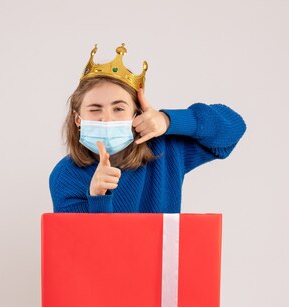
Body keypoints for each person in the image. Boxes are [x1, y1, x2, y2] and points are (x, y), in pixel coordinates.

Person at [49, 43, 247, 213]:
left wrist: (169, 121)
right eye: (94, 109)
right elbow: (81, 250)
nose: (107, 119)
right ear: (78, 119)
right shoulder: (65, 175)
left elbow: (233, 128)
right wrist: (97, 197)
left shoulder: (164, 151)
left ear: (136, 114)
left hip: (162, 258)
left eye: (118, 108)